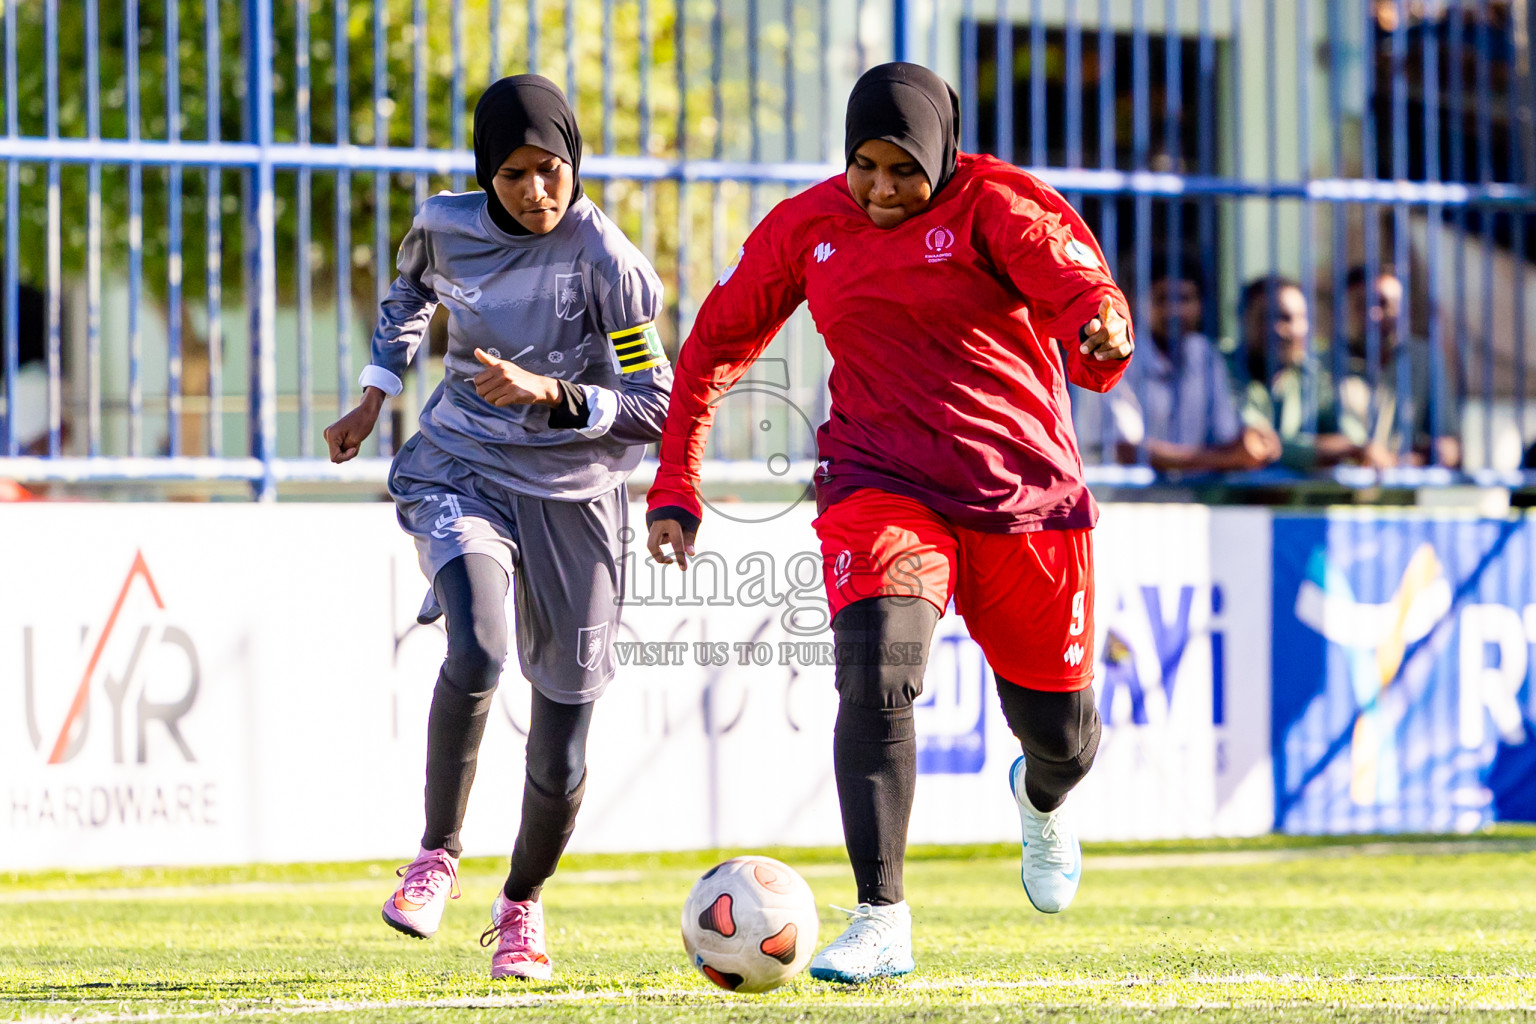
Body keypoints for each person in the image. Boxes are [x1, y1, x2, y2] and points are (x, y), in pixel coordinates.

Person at [646, 63, 1133, 984]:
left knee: (1061, 738)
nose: (880, 188)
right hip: (880, 483)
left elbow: (1081, 293)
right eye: (864, 165)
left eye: (903, 169)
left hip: (1022, 497)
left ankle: (1040, 800)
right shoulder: (810, 226)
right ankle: (881, 917)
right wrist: (677, 482)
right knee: (875, 669)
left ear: (942, 155)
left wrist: (1101, 327)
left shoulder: (1002, 206)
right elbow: (713, 343)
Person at [322, 75, 672, 980]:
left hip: (575, 497)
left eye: (550, 169)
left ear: (574, 162)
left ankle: (521, 903)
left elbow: (654, 405)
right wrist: (375, 395)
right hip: (463, 465)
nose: (535, 191)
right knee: (478, 648)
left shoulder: (608, 262)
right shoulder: (445, 225)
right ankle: (436, 855)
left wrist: (550, 392)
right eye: (513, 174)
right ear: (487, 174)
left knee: (561, 751)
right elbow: (409, 294)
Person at [1105, 264, 1280, 473]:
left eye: (1185, 299)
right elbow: (1126, 451)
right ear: (1138, 304)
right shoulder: (1117, 353)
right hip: (1119, 491)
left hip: (1191, 490)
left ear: (1200, 305)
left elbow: (1225, 435)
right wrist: (1227, 458)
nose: (1175, 310)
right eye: (1163, 299)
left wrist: (1252, 442)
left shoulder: (1206, 355)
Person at [1235, 274, 1393, 471]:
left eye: (1293, 319)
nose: (1282, 330)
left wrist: (1349, 448)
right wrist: (1329, 450)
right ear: (1242, 319)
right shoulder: (1221, 371)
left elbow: (1352, 438)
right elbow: (1253, 445)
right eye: (1268, 317)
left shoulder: (1310, 376)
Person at [1341, 264, 1461, 468]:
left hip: (1401, 485)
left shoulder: (1425, 360)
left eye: (1383, 303)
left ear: (1406, 310)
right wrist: (1354, 451)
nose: (1373, 314)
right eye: (1362, 304)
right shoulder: (1322, 365)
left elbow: (1449, 444)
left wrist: (1398, 464)